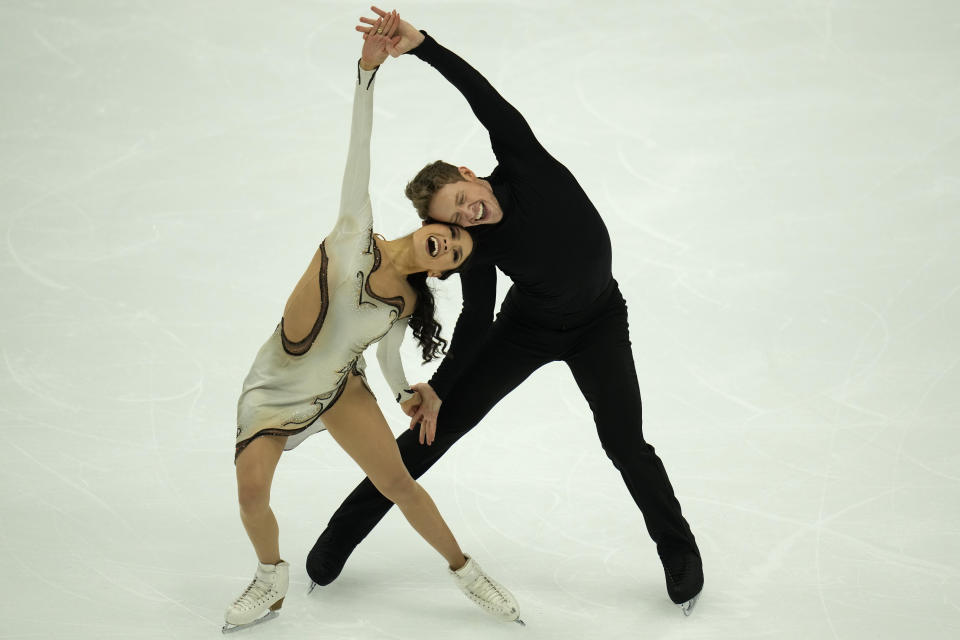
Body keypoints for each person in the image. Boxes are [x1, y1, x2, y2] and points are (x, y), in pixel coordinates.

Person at [306, 6, 704, 616]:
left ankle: (678, 553)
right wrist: (438, 389)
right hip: (526, 331)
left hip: (600, 322)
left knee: (625, 441)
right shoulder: (480, 247)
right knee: (432, 433)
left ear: (473, 175)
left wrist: (423, 47)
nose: (469, 215)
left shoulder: (523, 163)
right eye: (456, 216)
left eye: (465, 199)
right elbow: (477, 320)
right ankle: (338, 539)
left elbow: (482, 96)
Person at [223, 12, 522, 633]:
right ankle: (269, 578)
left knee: (399, 484)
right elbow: (359, 148)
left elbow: (387, 357)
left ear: (444, 274)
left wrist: (407, 395)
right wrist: (367, 72)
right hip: (272, 381)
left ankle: (466, 570)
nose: (450, 249)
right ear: (431, 225)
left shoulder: (404, 305)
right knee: (253, 491)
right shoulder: (356, 230)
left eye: (459, 258)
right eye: (450, 238)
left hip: (338, 389)